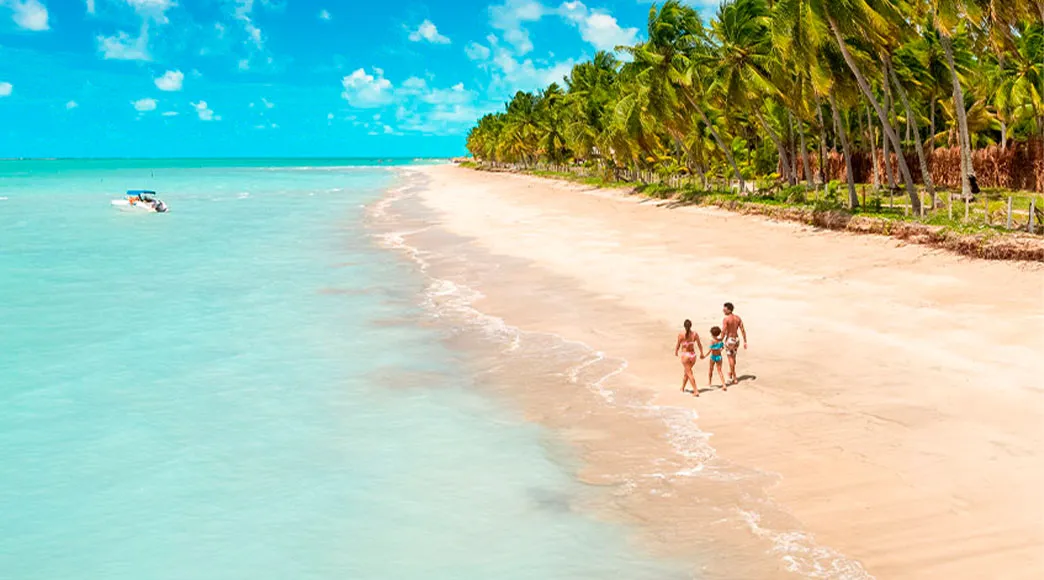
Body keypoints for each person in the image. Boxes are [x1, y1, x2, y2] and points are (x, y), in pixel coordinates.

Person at [674, 319, 703, 396]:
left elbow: (678, 344)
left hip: (685, 355)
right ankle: (682, 387)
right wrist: (701, 353)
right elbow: (699, 344)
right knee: (686, 372)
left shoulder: (681, 334)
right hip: (693, 355)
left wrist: (676, 351)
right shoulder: (695, 334)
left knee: (689, 373)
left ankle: (696, 390)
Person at [721, 302, 747, 385]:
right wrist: (745, 341)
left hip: (729, 340)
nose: (723, 311)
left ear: (729, 310)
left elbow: (724, 331)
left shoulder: (726, 319)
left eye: (725, 309)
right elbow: (742, 329)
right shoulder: (737, 318)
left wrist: (720, 340)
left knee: (730, 359)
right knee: (733, 357)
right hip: (736, 339)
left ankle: (734, 377)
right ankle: (731, 373)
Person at [703, 326, 728, 391]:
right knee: (720, 371)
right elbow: (722, 347)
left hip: (713, 357)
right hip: (719, 357)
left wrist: (705, 356)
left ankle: (709, 382)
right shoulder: (720, 340)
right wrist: (719, 350)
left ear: (712, 334)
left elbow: (710, 350)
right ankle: (724, 384)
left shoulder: (712, 341)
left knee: (711, 369)